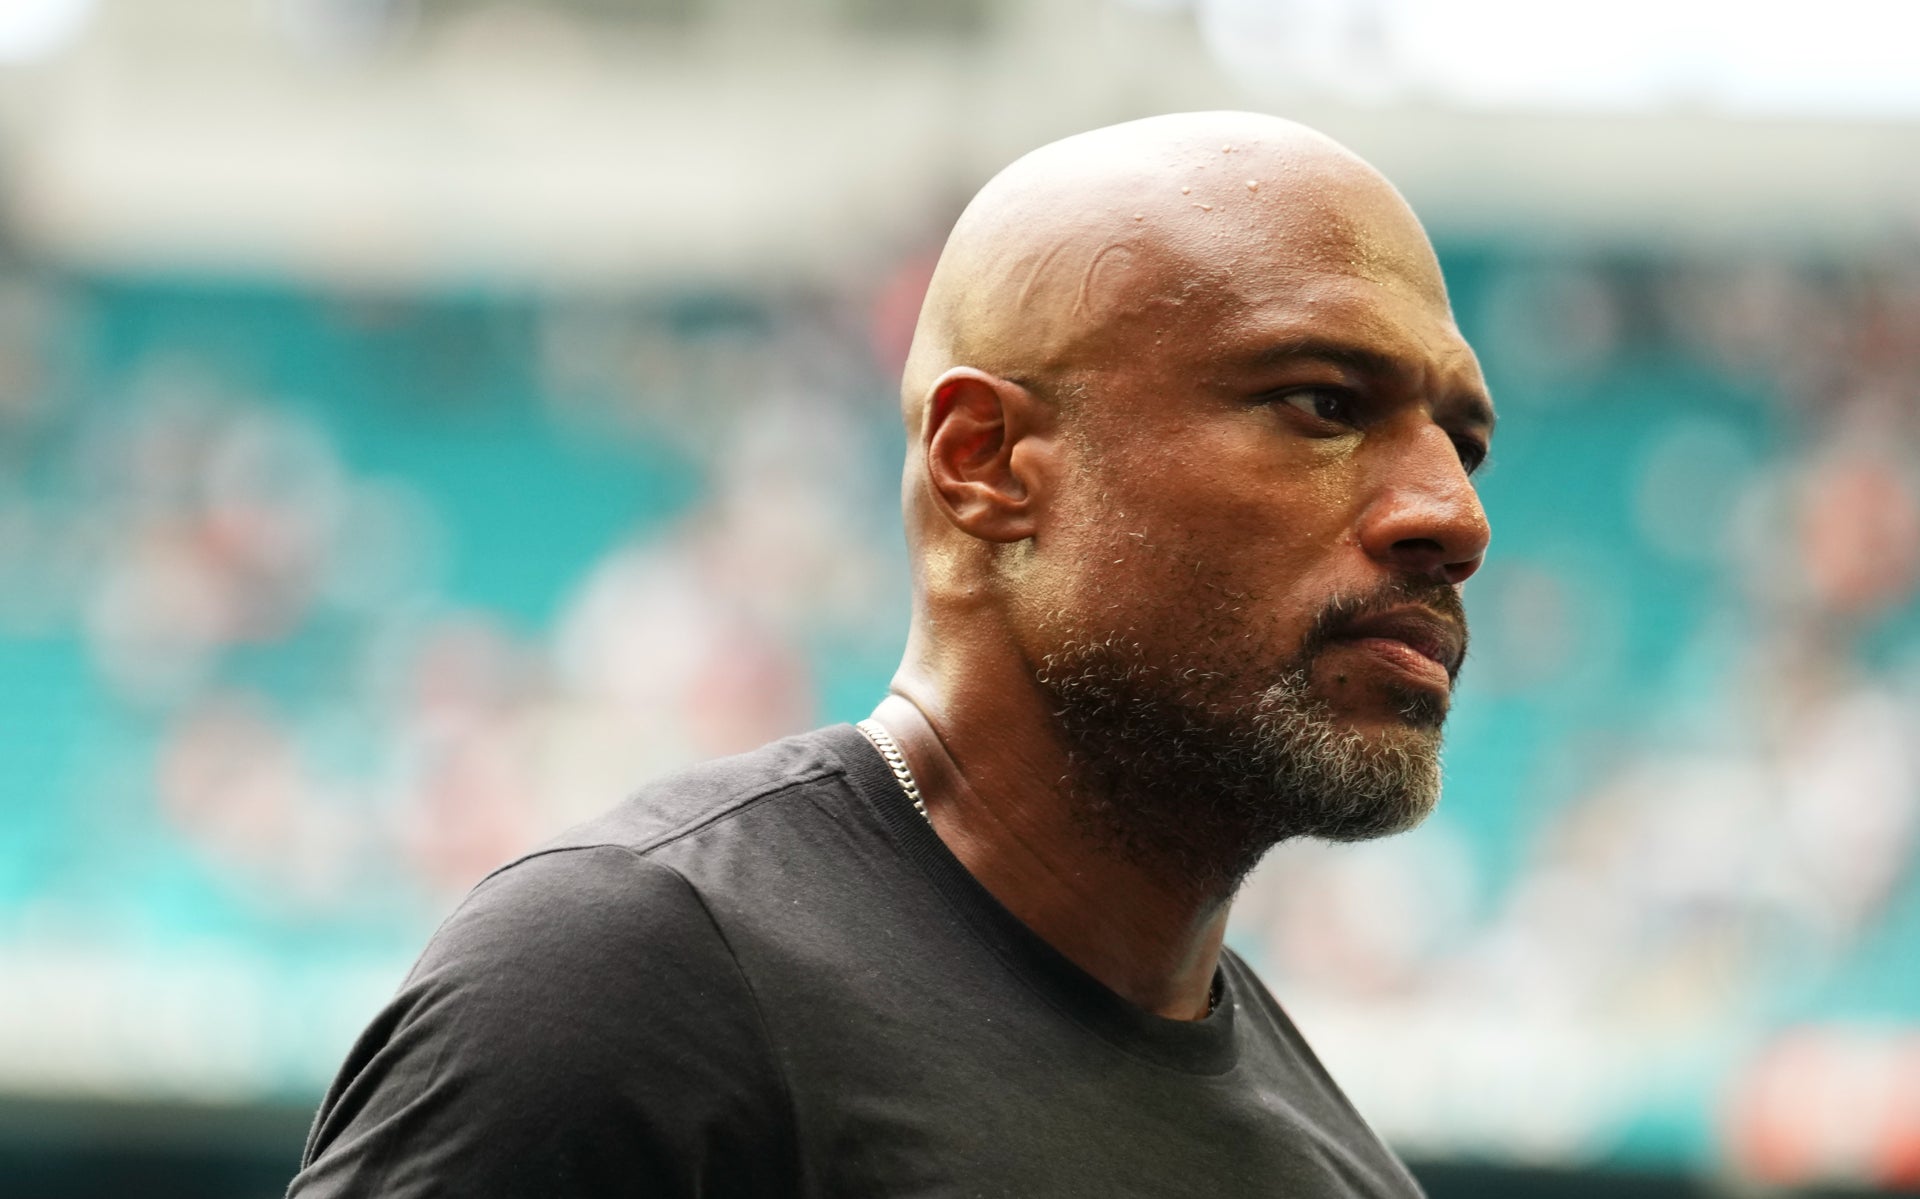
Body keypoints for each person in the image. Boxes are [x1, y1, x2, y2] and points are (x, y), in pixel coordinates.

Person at [289, 110, 1493, 1198]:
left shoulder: (1345, 1172)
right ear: (988, 461)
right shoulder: (634, 990)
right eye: (1325, 404)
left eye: (1464, 444)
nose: (1456, 516)